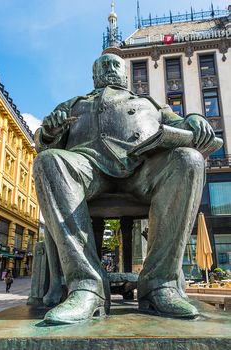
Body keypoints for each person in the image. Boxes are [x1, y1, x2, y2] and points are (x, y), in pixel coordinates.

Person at [33, 53, 216, 324]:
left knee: (189, 159)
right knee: (47, 161)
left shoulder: (149, 103)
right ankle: (86, 286)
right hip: (86, 166)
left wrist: (195, 118)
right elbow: (43, 141)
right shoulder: (74, 104)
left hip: (142, 168)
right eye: (102, 65)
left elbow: (181, 124)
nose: (108, 68)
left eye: (114, 64)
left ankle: (158, 284)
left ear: (125, 75)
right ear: (94, 76)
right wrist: (48, 133)